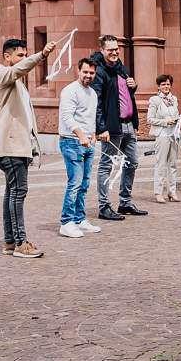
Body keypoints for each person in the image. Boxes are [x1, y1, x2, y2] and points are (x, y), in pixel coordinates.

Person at [0, 38, 56, 259]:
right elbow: (18, 70)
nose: (23, 59)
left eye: (26, 54)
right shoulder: (0, 75)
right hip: (10, 147)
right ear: (7, 56)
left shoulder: (17, 82)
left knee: (12, 193)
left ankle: (10, 241)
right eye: (20, 55)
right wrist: (41, 55)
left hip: (17, 147)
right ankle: (20, 242)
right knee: (18, 193)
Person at [90, 34, 147, 221]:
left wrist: (134, 86)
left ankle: (125, 202)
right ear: (102, 50)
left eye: (116, 49)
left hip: (129, 125)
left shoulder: (121, 68)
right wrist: (101, 128)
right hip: (112, 127)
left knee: (132, 162)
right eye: (110, 50)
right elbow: (97, 102)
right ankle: (104, 206)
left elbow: (123, 94)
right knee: (107, 165)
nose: (114, 52)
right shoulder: (99, 71)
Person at [58, 58, 106, 237]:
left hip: (88, 143)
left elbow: (90, 117)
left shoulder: (92, 93)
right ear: (79, 71)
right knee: (75, 183)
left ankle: (79, 219)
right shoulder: (70, 91)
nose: (88, 75)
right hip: (71, 141)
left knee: (84, 184)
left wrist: (93, 134)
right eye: (85, 72)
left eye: (92, 73)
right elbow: (67, 118)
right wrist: (81, 135)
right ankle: (66, 222)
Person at [146, 74, 181, 202]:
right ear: (159, 86)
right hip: (162, 134)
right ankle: (158, 192)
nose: (166, 86)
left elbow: (176, 114)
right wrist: (165, 122)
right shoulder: (155, 100)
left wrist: (177, 120)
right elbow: (149, 119)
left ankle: (172, 191)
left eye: (168, 84)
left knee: (173, 164)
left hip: (173, 134)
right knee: (161, 164)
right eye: (163, 84)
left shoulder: (174, 99)